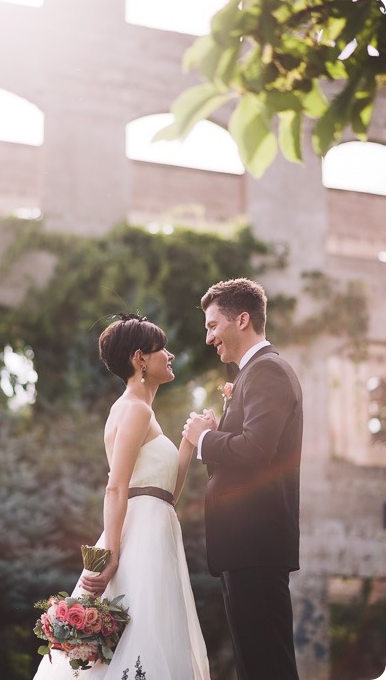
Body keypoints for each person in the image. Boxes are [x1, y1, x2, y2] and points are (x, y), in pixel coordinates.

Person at [33, 313, 210, 680]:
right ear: (140, 358)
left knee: (156, 629)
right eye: (163, 349)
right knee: (143, 634)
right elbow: (116, 487)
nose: (171, 355)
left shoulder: (145, 412)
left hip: (158, 529)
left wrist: (189, 442)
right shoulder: (134, 409)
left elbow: (166, 494)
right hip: (138, 539)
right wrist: (110, 557)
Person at [183, 278, 302, 680]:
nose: (208, 337)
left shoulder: (267, 371)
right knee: (256, 666)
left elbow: (255, 451)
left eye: (213, 325)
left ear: (243, 319)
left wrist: (205, 440)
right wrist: (218, 434)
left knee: (268, 665)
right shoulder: (254, 373)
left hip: (257, 546)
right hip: (245, 548)